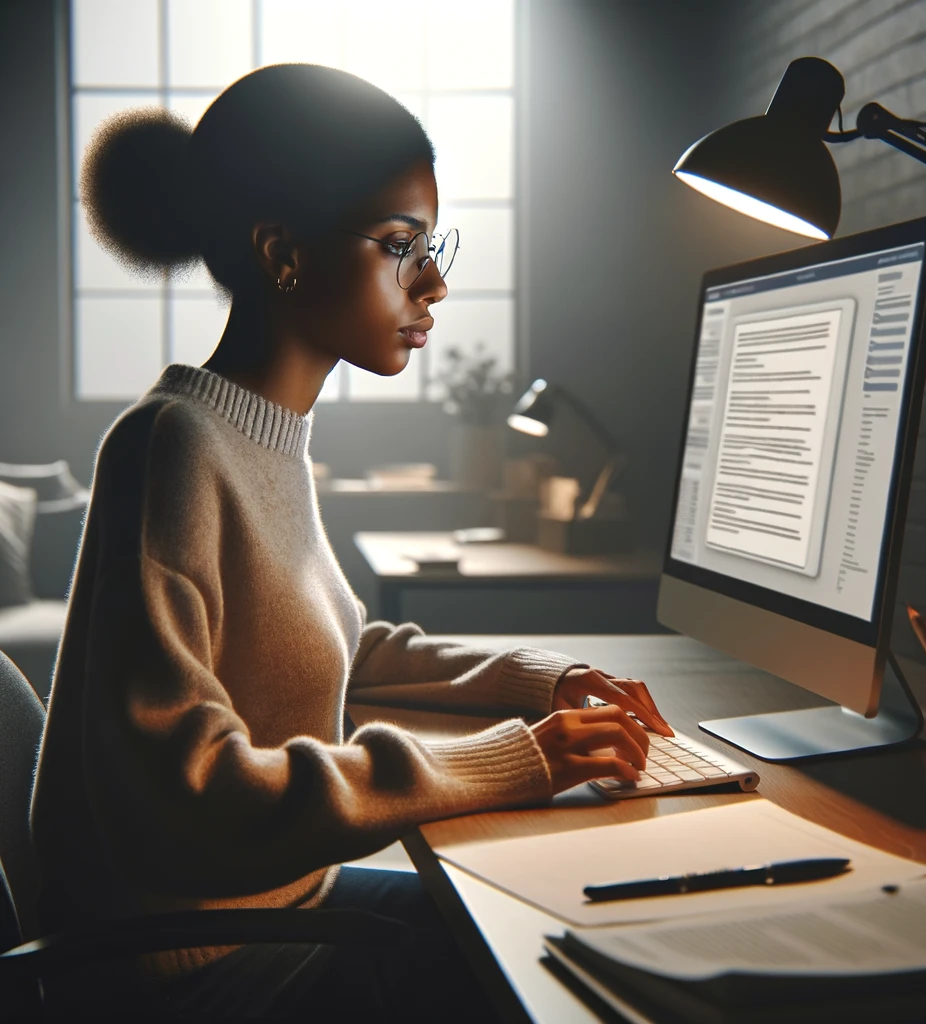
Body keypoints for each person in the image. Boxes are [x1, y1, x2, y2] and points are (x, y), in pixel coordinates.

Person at [30, 64, 672, 1021]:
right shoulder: (172, 446)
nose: (436, 284)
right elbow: (188, 793)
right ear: (282, 252)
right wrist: (512, 760)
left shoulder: (259, 437)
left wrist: (539, 682)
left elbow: (337, 647)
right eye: (401, 246)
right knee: (561, 977)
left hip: (277, 905)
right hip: (193, 965)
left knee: (563, 924)